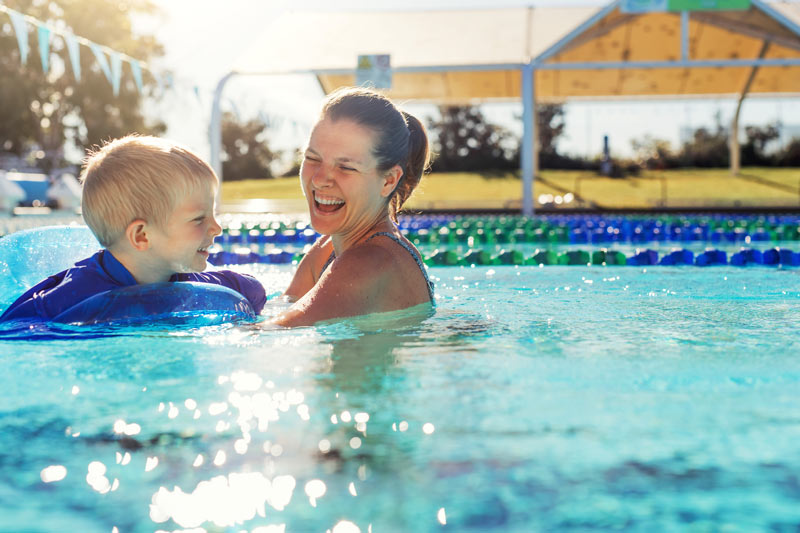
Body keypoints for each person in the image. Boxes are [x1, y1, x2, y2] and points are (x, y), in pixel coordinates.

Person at [0, 135, 266, 322]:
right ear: (141, 236)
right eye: (199, 218)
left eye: (214, 214)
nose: (217, 228)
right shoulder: (69, 300)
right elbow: (14, 331)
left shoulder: (187, 282)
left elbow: (252, 290)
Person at [274, 87, 434, 327]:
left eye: (346, 167)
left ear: (388, 180)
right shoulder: (327, 249)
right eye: (313, 158)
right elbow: (281, 310)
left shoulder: (369, 262)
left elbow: (269, 332)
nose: (319, 179)